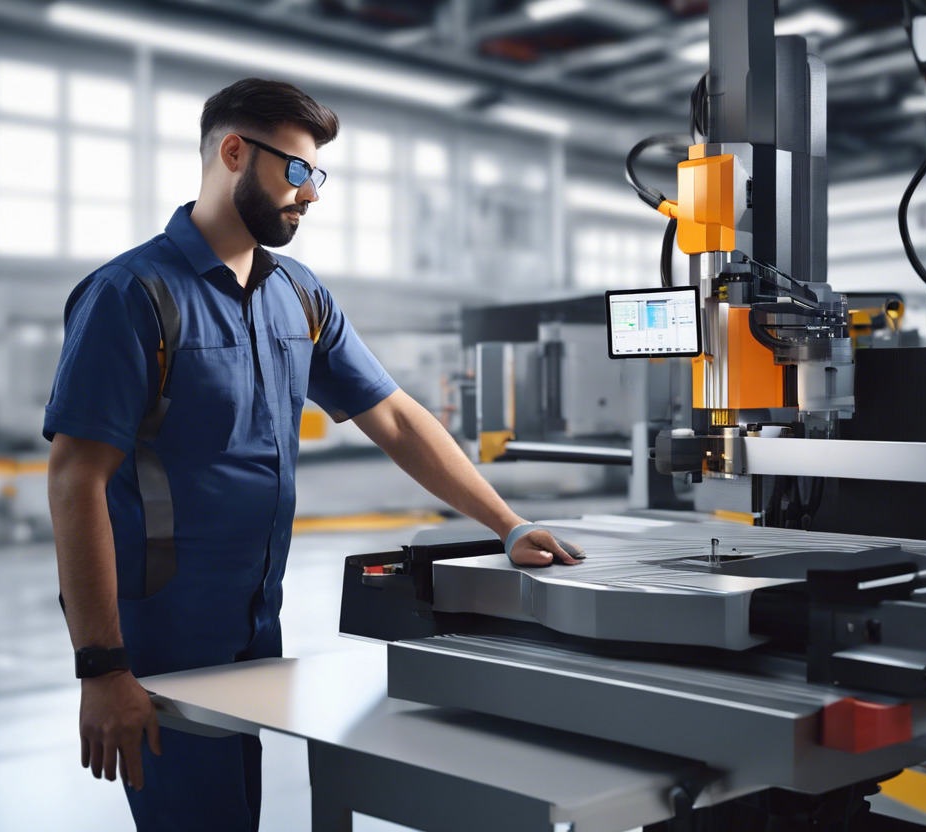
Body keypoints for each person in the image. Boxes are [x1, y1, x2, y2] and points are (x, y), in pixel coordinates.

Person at [44, 77, 581, 832]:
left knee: (239, 814)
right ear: (234, 153)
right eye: (298, 170)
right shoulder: (133, 296)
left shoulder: (296, 294)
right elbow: (76, 481)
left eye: (318, 175)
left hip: (257, 625)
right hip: (161, 638)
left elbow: (392, 415)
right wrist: (101, 668)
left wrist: (509, 524)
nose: (312, 193)